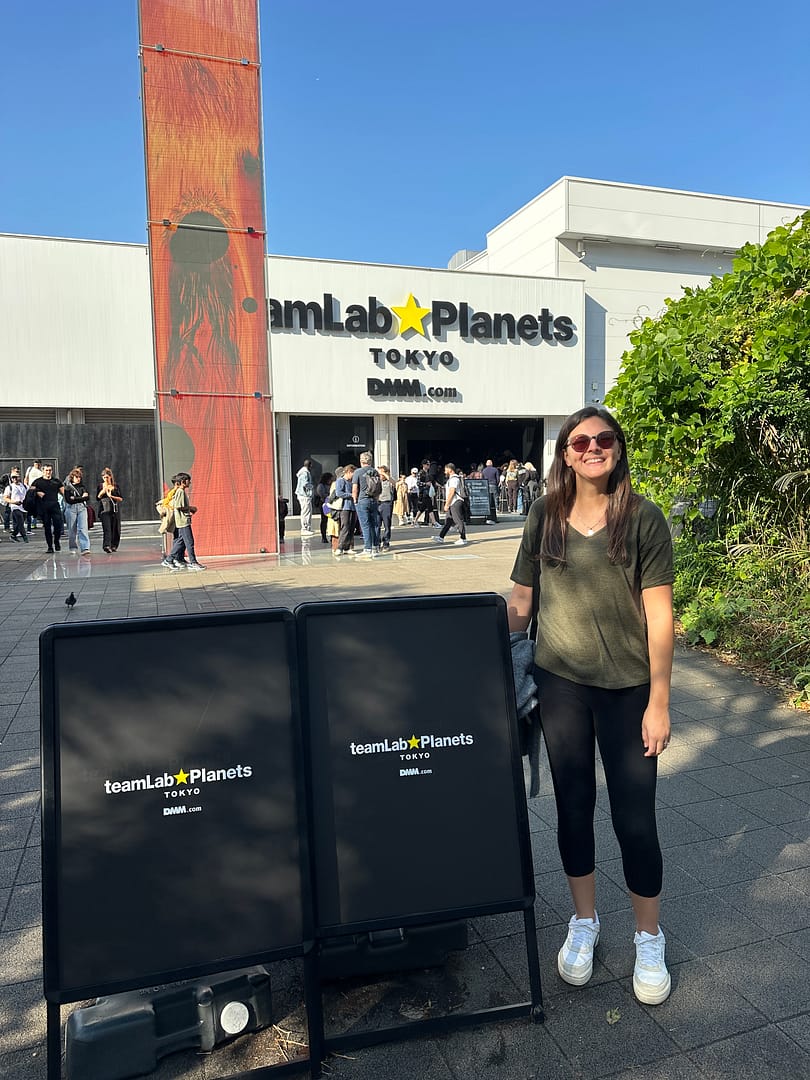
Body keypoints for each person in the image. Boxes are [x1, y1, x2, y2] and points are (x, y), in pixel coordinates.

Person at [506, 406, 674, 1006]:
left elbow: (659, 615)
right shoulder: (544, 516)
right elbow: (522, 602)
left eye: (604, 439)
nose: (593, 448)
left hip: (629, 690)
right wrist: (489, 667)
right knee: (573, 808)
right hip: (562, 685)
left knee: (635, 818)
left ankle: (648, 936)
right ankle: (585, 923)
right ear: (565, 453)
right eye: (581, 441)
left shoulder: (643, 519)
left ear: (618, 449)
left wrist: (659, 701)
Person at [162, 472, 206, 570]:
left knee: (180, 542)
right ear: (183, 482)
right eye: (188, 481)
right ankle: (193, 562)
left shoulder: (179, 491)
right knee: (189, 542)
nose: (189, 483)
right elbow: (179, 506)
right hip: (183, 521)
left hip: (181, 520)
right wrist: (191, 508)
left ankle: (171, 559)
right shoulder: (181, 492)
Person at [352, 451, 382, 558]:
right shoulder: (375, 471)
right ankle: (375, 547)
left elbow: (355, 488)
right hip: (374, 500)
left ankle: (367, 548)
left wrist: (355, 500)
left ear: (361, 461)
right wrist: (376, 499)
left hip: (363, 500)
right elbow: (378, 488)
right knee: (374, 524)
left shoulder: (358, 472)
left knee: (365, 525)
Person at [432, 463, 467, 546]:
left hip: (455, 502)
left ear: (450, 470)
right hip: (452, 502)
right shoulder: (451, 479)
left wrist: (447, 504)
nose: (445, 471)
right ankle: (441, 537)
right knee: (448, 521)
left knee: (458, 520)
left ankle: (463, 538)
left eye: (446, 469)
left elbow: (452, 492)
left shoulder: (454, 479)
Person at [32, 464, 65, 552]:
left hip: (55, 506)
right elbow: (30, 491)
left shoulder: (56, 481)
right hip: (44, 507)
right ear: (43, 471)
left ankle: (57, 541)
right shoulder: (37, 482)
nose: (48, 472)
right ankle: (50, 546)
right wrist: (37, 492)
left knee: (58, 526)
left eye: (50, 470)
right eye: (46, 470)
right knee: (47, 527)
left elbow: (64, 492)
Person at [63, 466, 91, 556]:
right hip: (71, 509)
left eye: (79, 477)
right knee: (72, 529)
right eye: (76, 477)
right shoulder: (68, 488)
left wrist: (75, 498)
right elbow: (69, 500)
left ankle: (85, 548)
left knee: (83, 528)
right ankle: (73, 547)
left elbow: (87, 497)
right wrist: (81, 498)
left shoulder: (82, 487)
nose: (78, 479)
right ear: (72, 477)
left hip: (82, 508)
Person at [96, 468, 123, 553]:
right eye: (104, 477)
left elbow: (120, 498)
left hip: (114, 508)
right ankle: (106, 545)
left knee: (115, 528)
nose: (106, 479)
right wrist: (103, 491)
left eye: (107, 477)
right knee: (107, 528)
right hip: (104, 509)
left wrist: (112, 496)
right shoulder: (100, 486)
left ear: (110, 477)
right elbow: (97, 497)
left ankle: (114, 545)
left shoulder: (115, 486)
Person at [334, 463, 356, 557]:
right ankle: (340, 547)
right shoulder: (340, 481)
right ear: (348, 472)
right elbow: (339, 493)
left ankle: (348, 547)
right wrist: (350, 495)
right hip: (344, 507)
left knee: (351, 527)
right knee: (345, 526)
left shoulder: (352, 482)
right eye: (353, 473)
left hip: (353, 507)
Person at [3, 469, 28, 543]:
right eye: (13, 477)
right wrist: (13, 502)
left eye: (16, 477)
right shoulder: (9, 487)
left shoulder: (24, 486)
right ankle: (25, 537)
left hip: (23, 507)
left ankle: (13, 535)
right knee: (20, 520)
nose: (15, 479)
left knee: (19, 523)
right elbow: (5, 498)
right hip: (15, 507)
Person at [377, 465, 395, 551]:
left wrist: (385, 473)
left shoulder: (389, 482)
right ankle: (377, 542)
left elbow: (394, 483)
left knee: (387, 525)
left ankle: (386, 542)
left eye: (382, 473)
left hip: (386, 504)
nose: (380, 475)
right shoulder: (377, 481)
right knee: (376, 525)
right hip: (377, 503)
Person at [295, 458, 314, 536]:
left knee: (308, 511)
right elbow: (304, 484)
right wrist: (311, 486)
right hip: (304, 495)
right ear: (309, 465)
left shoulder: (304, 472)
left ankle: (307, 527)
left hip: (305, 495)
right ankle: (304, 528)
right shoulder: (305, 473)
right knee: (305, 512)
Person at [24, 459, 43, 530]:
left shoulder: (42, 470)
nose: (37, 465)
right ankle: (32, 523)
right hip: (31, 490)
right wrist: (26, 487)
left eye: (38, 463)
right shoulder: (30, 469)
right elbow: (26, 478)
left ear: (40, 464)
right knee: (31, 506)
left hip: (40, 490)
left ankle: (45, 521)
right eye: (35, 463)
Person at [481, 459, 500, 523]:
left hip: (486, 485)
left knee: (488, 498)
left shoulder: (484, 470)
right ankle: (497, 508)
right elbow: (498, 479)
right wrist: (496, 484)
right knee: (495, 497)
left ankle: (488, 508)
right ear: (491, 464)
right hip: (493, 484)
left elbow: (482, 479)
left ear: (486, 464)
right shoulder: (495, 469)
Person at [316, 473, 331, 544]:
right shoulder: (321, 486)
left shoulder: (330, 485)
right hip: (324, 504)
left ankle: (332, 536)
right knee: (324, 520)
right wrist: (329, 496)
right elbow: (321, 494)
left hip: (330, 503)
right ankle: (324, 537)